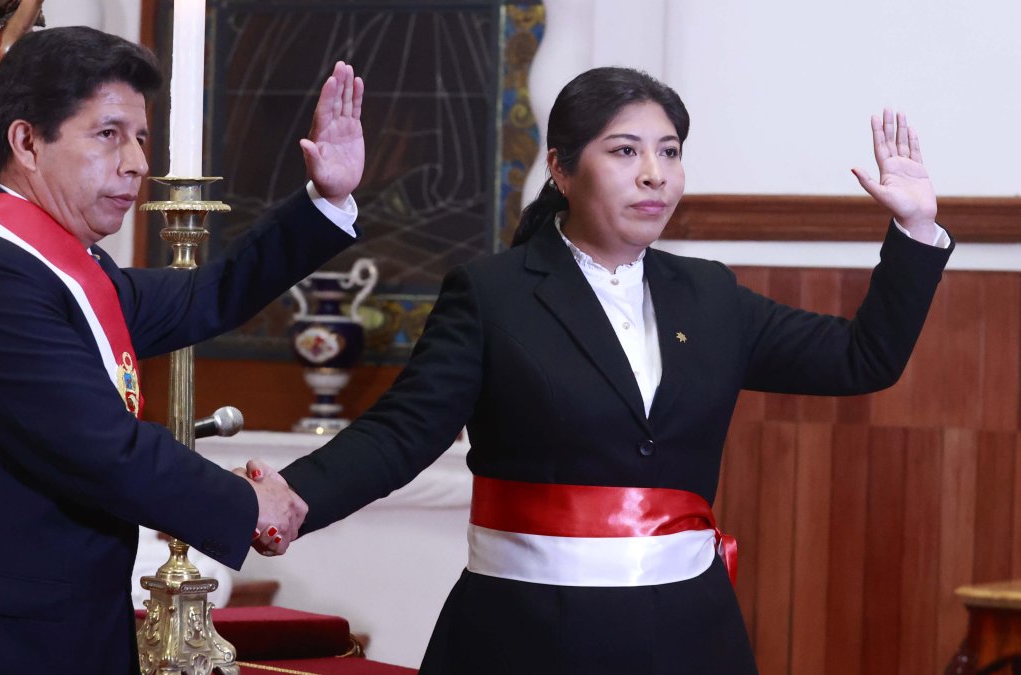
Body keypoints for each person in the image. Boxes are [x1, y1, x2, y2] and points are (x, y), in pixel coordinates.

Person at [246, 67, 952, 673]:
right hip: (525, 629)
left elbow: (864, 358)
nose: (655, 173)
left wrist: (916, 229)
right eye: (625, 150)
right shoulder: (494, 293)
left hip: (691, 632)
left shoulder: (709, 294)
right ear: (561, 166)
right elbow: (405, 430)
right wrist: (297, 495)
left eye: (669, 152)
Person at [0, 26, 364, 673]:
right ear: (27, 141)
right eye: (108, 134)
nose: (138, 163)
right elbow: (104, 448)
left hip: (57, 635)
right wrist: (247, 506)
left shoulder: (64, 269)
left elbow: (207, 295)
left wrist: (327, 199)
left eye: (141, 138)